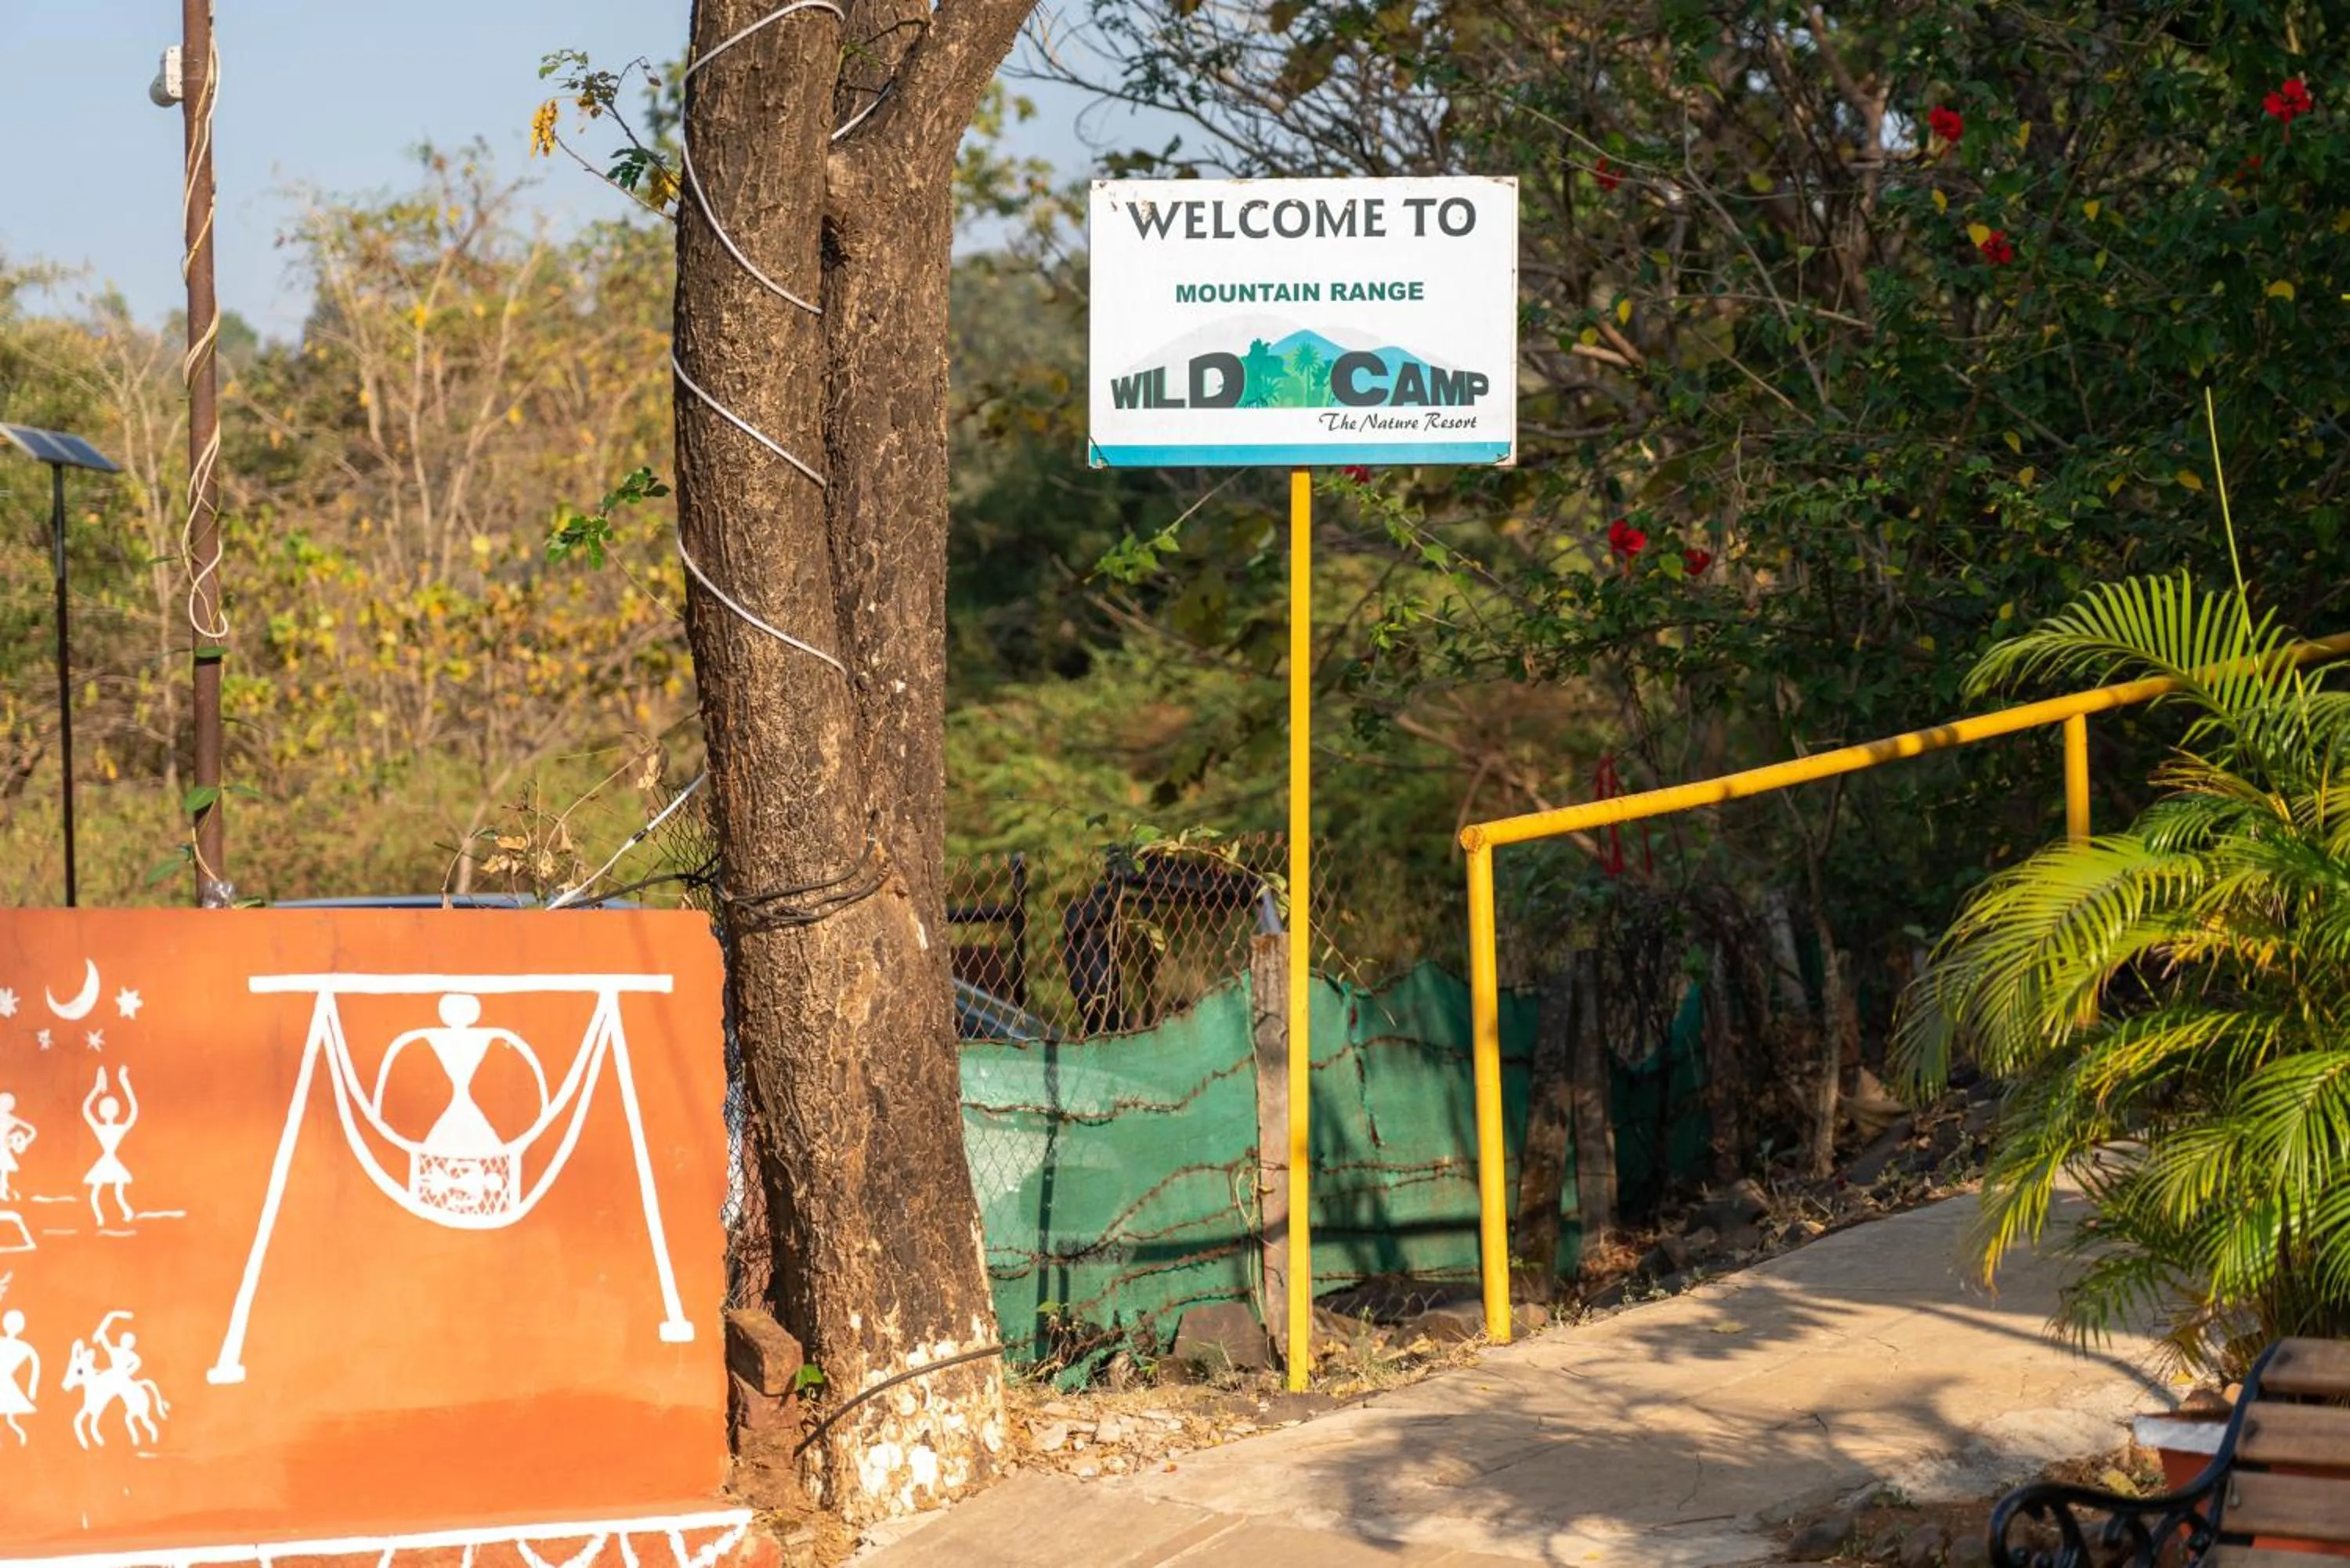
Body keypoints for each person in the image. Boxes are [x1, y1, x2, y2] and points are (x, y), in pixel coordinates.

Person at [81, 1067, 138, 1227]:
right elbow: (86, 1110)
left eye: (112, 1108)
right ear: (99, 1111)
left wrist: (126, 1084)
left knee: (119, 1192)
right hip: (105, 1162)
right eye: (105, 1108)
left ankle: (127, 1213)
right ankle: (99, 1218)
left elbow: (133, 1112)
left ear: (117, 1110)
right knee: (95, 1193)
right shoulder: (99, 1128)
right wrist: (96, 1089)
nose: (108, 1110)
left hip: (112, 1162)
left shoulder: (119, 1128)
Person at [0, 1309, 38, 1443]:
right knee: (10, 1416)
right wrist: (32, 1388)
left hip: (7, 1384)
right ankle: (18, 1436)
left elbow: (34, 1361)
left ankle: (19, 1437)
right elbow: (35, 1361)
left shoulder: (23, 1347)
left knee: (10, 1415)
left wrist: (32, 1387)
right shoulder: (23, 1346)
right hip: (7, 1383)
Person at [0, 1093, 34, 1202]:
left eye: (6, 1103)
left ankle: (3, 1192)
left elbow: (32, 1131)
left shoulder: (11, 1119)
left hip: (3, 1148)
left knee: (4, 1171)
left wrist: (22, 1142)